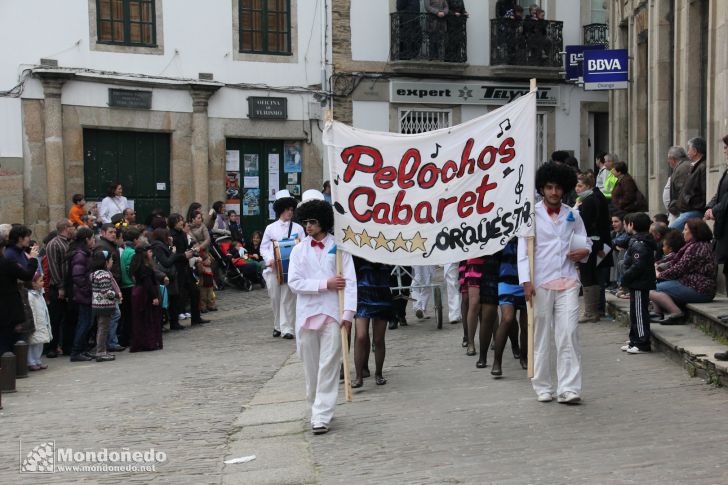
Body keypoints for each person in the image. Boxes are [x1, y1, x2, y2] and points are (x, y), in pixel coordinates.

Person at [518, 162, 591, 404]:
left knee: (568, 333)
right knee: (541, 336)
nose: (554, 192)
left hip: (568, 280)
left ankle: (569, 387)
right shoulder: (530, 216)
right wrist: (525, 281)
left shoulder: (574, 214)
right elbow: (522, 251)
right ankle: (543, 386)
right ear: (542, 189)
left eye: (558, 188)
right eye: (549, 187)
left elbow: (585, 243)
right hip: (541, 281)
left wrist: (584, 252)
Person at [287, 199, 357, 435]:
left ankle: (322, 414)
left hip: (332, 313)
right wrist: (324, 284)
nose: (308, 226)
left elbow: (350, 281)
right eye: (305, 222)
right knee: (311, 368)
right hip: (307, 314)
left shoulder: (339, 248)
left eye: (313, 222)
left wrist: (348, 313)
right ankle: (315, 405)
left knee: (329, 365)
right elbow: (294, 282)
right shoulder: (298, 250)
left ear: (324, 222)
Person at [650, 218, 716, 324]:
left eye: (685, 229)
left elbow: (679, 269)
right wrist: (658, 266)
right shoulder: (694, 244)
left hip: (700, 289)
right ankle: (658, 313)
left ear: (694, 232)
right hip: (693, 284)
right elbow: (674, 259)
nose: (683, 232)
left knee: (652, 288)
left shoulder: (697, 247)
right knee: (654, 284)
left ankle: (677, 314)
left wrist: (659, 274)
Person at [261, 191, 303, 339]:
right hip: (273, 268)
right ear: (280, 210)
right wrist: (269, 259)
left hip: (290, 268)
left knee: (288, 298)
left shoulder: (298, 228)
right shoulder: (270, 228)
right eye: (287, 210)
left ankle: (287, 328)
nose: (290, 212)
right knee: (275, 297)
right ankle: (277, 325)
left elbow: (303, 246)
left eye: (292, 210)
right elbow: (264, 247)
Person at [574, 171, 612, 322]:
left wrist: (576, 209)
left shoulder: (589, 200)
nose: (577, 188)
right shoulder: (594, 197)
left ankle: (591, 312)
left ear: (588, 186)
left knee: (588, 275)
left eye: (580, 185)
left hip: (591, 242)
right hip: (597, 242)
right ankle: (594, 311)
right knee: (593, 275)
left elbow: (585, 223)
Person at [352, 257, 392, 388]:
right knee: (361, 335)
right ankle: (358, 377)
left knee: (379, 339)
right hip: (362, 294)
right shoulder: (357, 248)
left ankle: (379, 373)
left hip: (382, 293)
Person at [619, 213, 656, 354]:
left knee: (640, 313)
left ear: (632, 225)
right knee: (635, 312)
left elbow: (638, 265)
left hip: (640, 282)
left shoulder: (640, 243)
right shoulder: (636, 241)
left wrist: (625, 278)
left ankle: (642, 342)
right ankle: (634, 339)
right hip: (636, 283)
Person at [492, 238, 527, 376]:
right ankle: (497, 361)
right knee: (507, 318)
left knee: (526, 325)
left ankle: (524, 357)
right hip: (506, 278)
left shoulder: (530, 228)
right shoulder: (502, 229)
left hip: (527, 281)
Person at [0, 237, 39, 355]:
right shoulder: (6, 263)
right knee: (6, 340)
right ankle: (8, 368)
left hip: (6, 306)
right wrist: (32, 260)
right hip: (7, 306)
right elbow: (26, 275)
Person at [168, 214, 209, 326]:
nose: (181, 222)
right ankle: (174, 322)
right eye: (179, 221)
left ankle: (196, 317)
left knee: (194, 291)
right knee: (177, 295)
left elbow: (185, 248)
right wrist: (184, 255)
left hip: (186, 267)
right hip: (177, 268)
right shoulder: (171, 235)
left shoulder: (182, 234)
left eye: (181, 220)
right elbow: (172, 254)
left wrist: (192, 251)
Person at [45, 219, 76, 357]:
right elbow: (53, 267)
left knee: (70, 317)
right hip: (57, 287)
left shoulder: (70, 243)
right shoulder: (53, 244)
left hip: (70, 285)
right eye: (71, 226)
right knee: (55, 319)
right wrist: (60, 287)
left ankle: (67, 346)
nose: (73, 229)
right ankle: (52, 347)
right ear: (65, 228)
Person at [94, 224, 125, 352]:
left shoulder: (111, 245)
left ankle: (110, 342)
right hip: (106, 286)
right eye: (110, 232)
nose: (113, 234)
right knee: (113, 315)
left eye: (114, 232)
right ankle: (109, 343)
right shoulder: (102, 246)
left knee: (113, 315)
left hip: (112, 283)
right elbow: (100, 265)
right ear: (103, 232)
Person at [704, 133, 728, 293]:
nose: (724, 151)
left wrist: (714, 211)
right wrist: (709, 207)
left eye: (726, 148)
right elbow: (718, 194)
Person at [150, 227, 186, 331]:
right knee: (169, 300)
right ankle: (167, 323)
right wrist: (173, 252)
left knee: (173, 299)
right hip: (166, 276)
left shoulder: (163, 245)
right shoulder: (158, 246)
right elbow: (167, 262)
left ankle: (173, 322)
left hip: (170, 275)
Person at [130, 245, 164, 352]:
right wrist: (154, 297)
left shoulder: (135, 265)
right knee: (148, 318)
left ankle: (141, 342)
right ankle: (148, 342)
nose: (151, 254)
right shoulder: (145, 268)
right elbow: (148, 283)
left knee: (139, 319)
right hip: (145, 294)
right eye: (149, 252)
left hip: (137, 292)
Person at [69, 227, 96, 362]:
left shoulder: (85, 253)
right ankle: (76, 351)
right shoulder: (80, 255)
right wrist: (87, 290)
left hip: (86, 293)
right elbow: (78, 276)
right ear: (87, 239)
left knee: (87, 322)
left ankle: (83, 349)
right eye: (92, 238)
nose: (93, 241)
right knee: (84, 323)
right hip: (83, 294)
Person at [90, 250, 121, 362]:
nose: (112, 261)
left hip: (97, 305)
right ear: (105, 262)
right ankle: (101, 352)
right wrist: (116, 295)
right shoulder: (104, 274)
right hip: (104, 306)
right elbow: (106, 291)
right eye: (111, 259)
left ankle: (102, 350)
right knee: (103, 329)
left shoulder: (94, 274)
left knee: (101, 328)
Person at [671, 137, 707, 231]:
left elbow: (704, 191)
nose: (687, 152)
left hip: (693, 210)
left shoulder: (702, 166)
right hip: (687, 210)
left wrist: (691, 202)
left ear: (695, 151)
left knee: (670, 231)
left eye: (689, 149)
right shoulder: (695, 166)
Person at [119, 227, 141, 347]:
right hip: (130, 285)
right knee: (131, 315)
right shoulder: (132, 252)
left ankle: (126, 338)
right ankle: (129, 338)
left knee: (126, 315)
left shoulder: (125, 251)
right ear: (135, 239)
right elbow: (130, 269)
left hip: (124, 285)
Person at [27, 271, 52, 371]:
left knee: (40, 342)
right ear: (33, 283)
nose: (43, 283)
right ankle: (30, 361)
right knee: (33, 343)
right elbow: (32, 311)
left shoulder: (40, 294)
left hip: (42, 322)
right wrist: (33, 324)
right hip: (36, 323)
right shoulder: (30, 295)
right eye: (41, 281)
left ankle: (37, 360)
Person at [665, 146, 691, 224]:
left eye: (668, 159)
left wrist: (675, 207)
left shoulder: (682, 168)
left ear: (673, 159)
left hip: (680, 212)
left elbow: (682, 192)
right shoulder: (682, 166)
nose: (668, 162)